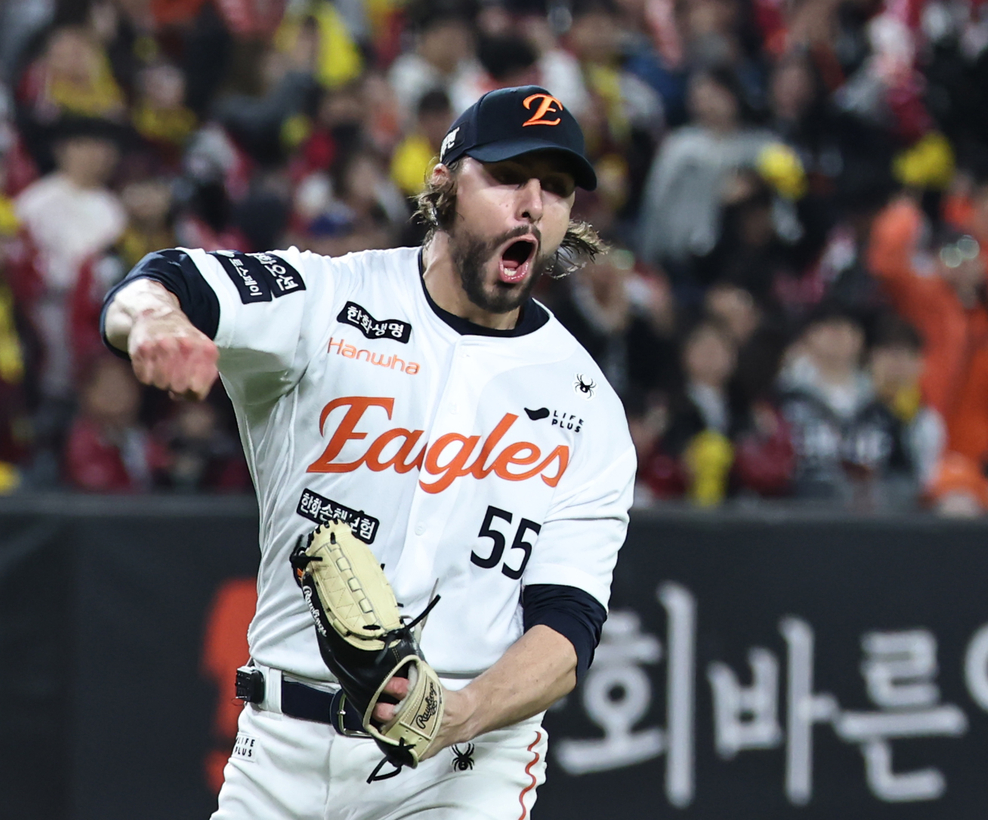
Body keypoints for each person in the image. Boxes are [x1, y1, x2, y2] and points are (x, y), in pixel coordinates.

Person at [101, 86, 635, 819]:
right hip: (280, 750)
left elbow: (567, 628)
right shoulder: (326, 301)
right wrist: (158, 321)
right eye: (508, 176)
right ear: (442, 185)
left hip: (462, 766)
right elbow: (164, 279)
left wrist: (464, 711)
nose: (533, 204)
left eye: (557, 189)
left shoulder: (587, 405)